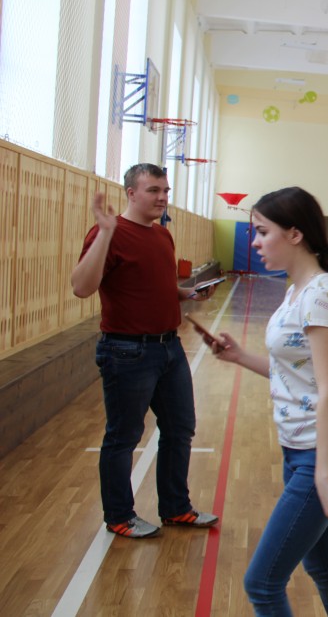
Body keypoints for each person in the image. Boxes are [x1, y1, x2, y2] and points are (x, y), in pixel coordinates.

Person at [212, 186, 328, 616]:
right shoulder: (297, 291)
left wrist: (324, 477)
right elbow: (297, 374)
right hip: (300, 449)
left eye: (262, 232)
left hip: (322, 452)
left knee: (262, 583)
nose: (255, 242)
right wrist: (240, 356)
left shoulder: (320, 295)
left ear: (295, 234)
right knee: (323, 567)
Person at [71, 163, 218, 539]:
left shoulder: (162, 236)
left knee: (180, 429)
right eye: (153, 190)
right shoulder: (109, 233)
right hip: (126, 352)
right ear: (131, 193)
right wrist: (105, 233)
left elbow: (157, 285)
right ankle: (119, 515)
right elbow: (82, 287)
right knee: (123, 437)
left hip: (169, 348)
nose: (162, 197)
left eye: (165, 190)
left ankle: (176, 508)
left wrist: (186, 292)